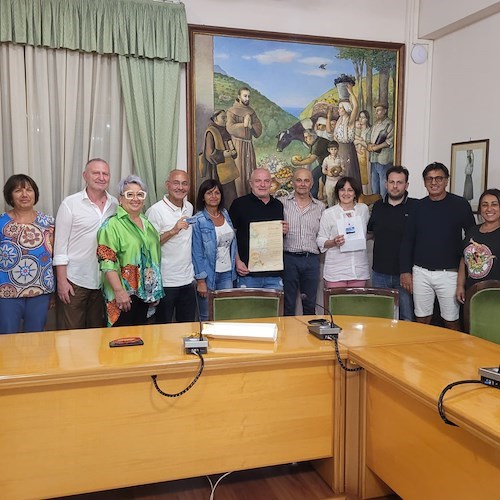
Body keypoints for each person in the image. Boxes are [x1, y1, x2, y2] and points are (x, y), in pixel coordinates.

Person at [400, 162, 475, 330]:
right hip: (421, 273)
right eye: (429, 179)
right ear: (425, 182)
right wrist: (405, 271)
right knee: (422, 319)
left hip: (449, 274)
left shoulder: (460, 204)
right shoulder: (417, 207)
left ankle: (454, 355)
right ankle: (424, 354)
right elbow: (407, 240)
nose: (434, 182)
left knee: (451, 320)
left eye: (438, 178)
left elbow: (472, 238)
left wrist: (465, 277)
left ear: (446, 180)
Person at [53, 158, 118, 330]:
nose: (101, 177)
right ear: (85, 176)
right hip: (75, 280)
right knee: (71, 335)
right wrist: (62, 281)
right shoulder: (70, 204)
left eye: (105, 173)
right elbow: (59, 247)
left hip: (104, 282)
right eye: (96, 173)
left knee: (97, 336)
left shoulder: (116, 205)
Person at [97, 176, 163, 327]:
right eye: (130, 194)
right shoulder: (111, 225)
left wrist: (155, 290)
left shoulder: (147, 223)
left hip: (145, 295)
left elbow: (154, 259)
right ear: (120, 198)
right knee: (121, 343)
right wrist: (120, 292)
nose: (135, 199)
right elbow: (107, 263)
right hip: (122, 297)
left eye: (140, 194)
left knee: (141, 342)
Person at [0, 175, 55, 333]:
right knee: (6, 339)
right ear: (10, 195)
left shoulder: (48, 223)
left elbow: (55, 257)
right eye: (18, 190)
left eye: (29, 190)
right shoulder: (1, 222)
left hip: (41, 291)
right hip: (7, 293)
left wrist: (54, 291)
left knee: (36, 340)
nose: (24, 194)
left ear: (35, 194)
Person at [368, 166, 417, 321]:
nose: (395, 186)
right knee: (380, 317)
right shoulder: (377, 206)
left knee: (406, 317)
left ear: (406, 185)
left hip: (405, 274)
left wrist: (408, 272)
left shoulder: (416, 207)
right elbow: (369, 233)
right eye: (392, 182)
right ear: (385, 184)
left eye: (399, 182)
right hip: (379, 273)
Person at [146, 170, 196, 323]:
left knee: (187, 329)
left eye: (184, 183)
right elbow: (149, 246)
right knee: (163, 329)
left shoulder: (189, 207)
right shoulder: (155, 211)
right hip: (166, 282)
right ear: (167, 185)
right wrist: (173, 230)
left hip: (188, 280)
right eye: (176, 183)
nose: (180, 187)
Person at [229, 168, 288, 290]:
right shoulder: (239, 204)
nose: (262, 185)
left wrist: (283, 231)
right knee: (248, 309)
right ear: (251, 183)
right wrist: (237, 261)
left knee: (274, 309)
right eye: (258, 181)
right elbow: (230, 237)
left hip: (274, 274)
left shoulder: (278, 205)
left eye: (266, 181)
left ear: (271, 183)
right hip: (247, 272)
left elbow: (276, 238)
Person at [278, 168, 324, 315]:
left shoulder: (321, 207)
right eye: (299, 180)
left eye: (306, 180)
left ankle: (310, 337)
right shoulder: (281, 203)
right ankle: (289, 338)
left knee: (310, 304)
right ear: (293, 183)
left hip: (311, 260)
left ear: (311, 183)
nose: (302, 184)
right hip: (289, 259)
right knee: (288, 305)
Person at [192, 179, 237, 321]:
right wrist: (201, 281)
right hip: (208, 274)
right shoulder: (198, 220)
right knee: (206, 315)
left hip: (227, 273)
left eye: (217, 193)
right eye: (209, 193)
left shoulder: (225, 214)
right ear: (202, 197)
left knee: (226, 314)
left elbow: (232, 243)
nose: (213, 196)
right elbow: (197, 252)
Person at [317, 176, 370, 287]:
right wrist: (334, 242)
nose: (346, 193)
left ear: (355, 193)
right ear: (337, 192)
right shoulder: (329, 213)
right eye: (342, 190)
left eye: (350, 190)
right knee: (335, 304)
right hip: (336, 272)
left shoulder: (363, 210)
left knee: (357, 303)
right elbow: (320, 240)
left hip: (359, 271)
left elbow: (369, 232)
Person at [457, 188, 500, 305]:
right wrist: (460, 285)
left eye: (494, 204)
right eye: (485, 205)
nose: (489, 209)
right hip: (472, 292)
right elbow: (463, 260)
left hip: (495, 295)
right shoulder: (472, 231)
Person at [226, 87, 263, 196]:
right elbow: (230, 127)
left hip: (248, 146)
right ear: (239, 97)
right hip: (238, 145)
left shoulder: (251, 111)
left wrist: (251, 126)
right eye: (245, 96)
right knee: (240, 174)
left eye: (248, 96)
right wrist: (243, 125)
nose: (247, 98)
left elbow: (258, 127)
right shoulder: (232, 111)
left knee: (250, 171)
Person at [200, 109, 239, 208]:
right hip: (216, 172)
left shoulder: (225, 131)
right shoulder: (211, 132)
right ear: (215, 119)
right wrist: (223, 154)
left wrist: (233, 152)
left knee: (230, 197)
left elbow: (231, 149)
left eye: (226, 117)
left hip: (228, 172)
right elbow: (209, 155)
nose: (226, 120)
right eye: (223, 118)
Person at [333, 84, 362, 186]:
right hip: (339, 149)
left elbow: (356, 107)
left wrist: (351, 93)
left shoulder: (350, 120)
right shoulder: (339, 120)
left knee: (348, 174)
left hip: (348, 150)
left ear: (345, 109)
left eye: (340, 108)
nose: (338, 110)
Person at [291, 129, 329, 199]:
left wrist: (298, 163)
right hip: (324, 164)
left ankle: (313, 197)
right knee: (314, 175)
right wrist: (301, 160)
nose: (305, 139)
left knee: (313, 176)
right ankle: (313, 196)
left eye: (306, 137)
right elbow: (310, 155)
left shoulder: (318, 144)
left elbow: (311, 159)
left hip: (329, 165)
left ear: (312, 136)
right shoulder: (315, 141)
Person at [367, 103, 394, 197]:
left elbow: (389, 141)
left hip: (383, 159)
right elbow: (369, 138)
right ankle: (376, 204)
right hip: (374, 159)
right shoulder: (375, 124)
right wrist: (369, 145)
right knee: (374, 183)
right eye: (376, 111)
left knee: (384, 182)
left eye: (378, 110)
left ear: (385, 111)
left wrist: (376, 147)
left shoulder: (389, 124)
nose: (376, 113)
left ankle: (384, 203)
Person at [321, 140, 344, 207]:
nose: (333, 151)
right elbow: (323, 170)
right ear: (329, 150)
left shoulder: (340, 159)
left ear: (338, 149)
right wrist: (328, 173)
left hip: (338, 181)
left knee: (338, 197)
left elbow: (343, 170)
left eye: (335, 149)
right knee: (330, 197)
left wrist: (339, 173)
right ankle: (331, 210)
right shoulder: (326, 159)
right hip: (329, 181)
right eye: (332, 149)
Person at [354, 109, 372, 193]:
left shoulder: (369, 130)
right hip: (357, 154)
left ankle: (366, 193)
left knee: (365, 175)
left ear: (367, 119)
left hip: (365, 154)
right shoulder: (358, 130)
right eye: (360, 117)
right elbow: (353, 141)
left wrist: (360, 142)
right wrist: (358, 141)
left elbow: (368, 144)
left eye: (363, 117)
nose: (361, 119)